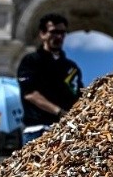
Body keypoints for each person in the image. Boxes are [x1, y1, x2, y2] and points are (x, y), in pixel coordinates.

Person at [17, 13, 83, 145]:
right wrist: (59, 112)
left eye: (62, 33)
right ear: (42, 34)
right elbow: (30, 94)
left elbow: (79, 94)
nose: (59, 36)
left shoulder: (71, 67)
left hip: (66, 131)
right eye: (54, 32)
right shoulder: (31, 61)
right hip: (38, 130)